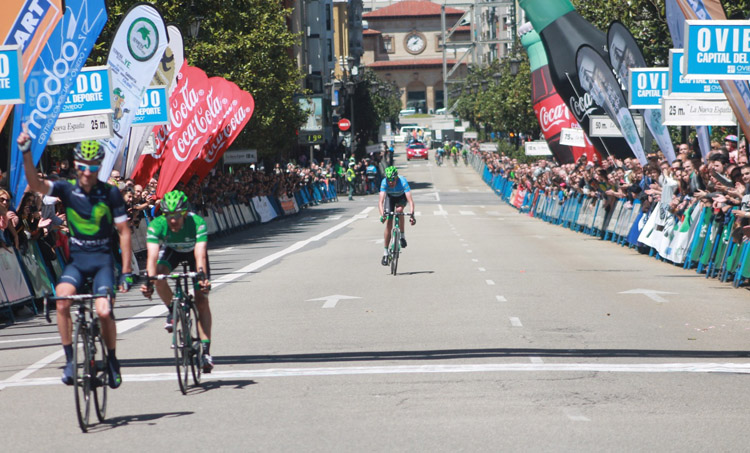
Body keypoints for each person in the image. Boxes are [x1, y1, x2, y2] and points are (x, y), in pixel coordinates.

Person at [17, 132, 132, 388]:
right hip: (78, 263)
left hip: (103, 262)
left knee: (103, 311)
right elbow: (35, 185)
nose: (87, 171)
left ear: (99, 167)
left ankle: (112, 360)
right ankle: (70, 361)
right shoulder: (67, 189)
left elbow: (124, 232)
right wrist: (26, 152)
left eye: (93, 166)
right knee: (61, 300)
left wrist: (125, 271)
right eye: (82, 165)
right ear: (76, 164)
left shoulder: (110, 194)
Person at [140, 190, 214, 373]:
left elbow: (200, 254)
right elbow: (152, 257)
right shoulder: (156, 225)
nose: (173, 220)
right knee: (158, 274)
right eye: (168, 216)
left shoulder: (196, 222)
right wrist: (148, 281)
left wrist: (202, 277)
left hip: (193, 254)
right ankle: (173, 308)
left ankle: (205, 351)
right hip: (172, 252)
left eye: (177, 215)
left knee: (202, 300)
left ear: (185, 213)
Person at [378, 166, 416, 266]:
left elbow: (410, 201)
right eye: (388, 181)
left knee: (399, 210)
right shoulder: (384, 182)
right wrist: (383, 215)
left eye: (392, 181)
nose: (390, 183)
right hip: (390, 198)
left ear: (397, 178)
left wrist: (412, 215)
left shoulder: (403, 181)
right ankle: (385, 253)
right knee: (389, 221)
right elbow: (381, 202)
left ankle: (402, 236)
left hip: (401, 198)